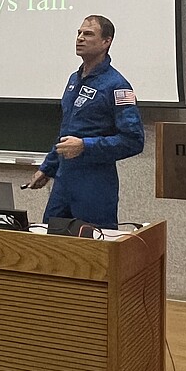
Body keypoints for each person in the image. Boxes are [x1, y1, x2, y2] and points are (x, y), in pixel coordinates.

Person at [26, 15, 144, 229]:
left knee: (93, 245)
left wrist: (85, 146)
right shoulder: (74, 79)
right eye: (79, 33)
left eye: (88, 34)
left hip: (94, 186)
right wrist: (48, 168)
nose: (80, 38)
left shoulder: (117, 86)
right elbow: (67, 132)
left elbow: (133, 140)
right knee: (50, 242)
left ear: (106, 42)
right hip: (63, 182)